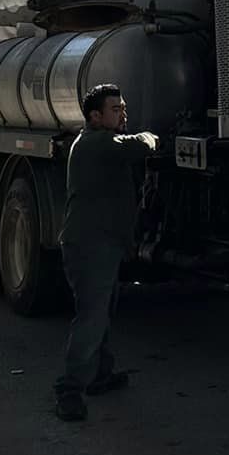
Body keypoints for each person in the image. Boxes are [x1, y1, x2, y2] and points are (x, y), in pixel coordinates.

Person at [55, 83, 158, 421]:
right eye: (116, 110)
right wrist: (151, 137)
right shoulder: (97, 143)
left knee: (102, 311)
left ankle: (100, 374)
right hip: (89, 246)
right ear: (95, 117)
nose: (123, 114)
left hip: (103, 244)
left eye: (124, 108)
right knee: (92, 316)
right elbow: (140, 146)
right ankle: (69, 390)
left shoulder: (100, 142)